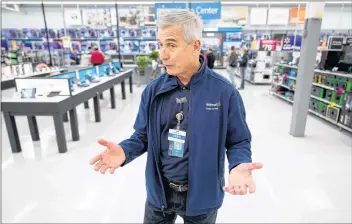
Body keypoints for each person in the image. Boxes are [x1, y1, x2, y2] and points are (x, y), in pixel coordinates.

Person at [89, 9, 262, 224]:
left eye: (171, 45)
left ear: (195, 46)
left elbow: (238, 140)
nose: (163, 54)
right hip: (159, 194)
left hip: (201, 196)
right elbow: (142, 136)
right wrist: (124, 151)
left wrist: (238, 164)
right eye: (160, 45)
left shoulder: (224, 93)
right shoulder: (153, 91)